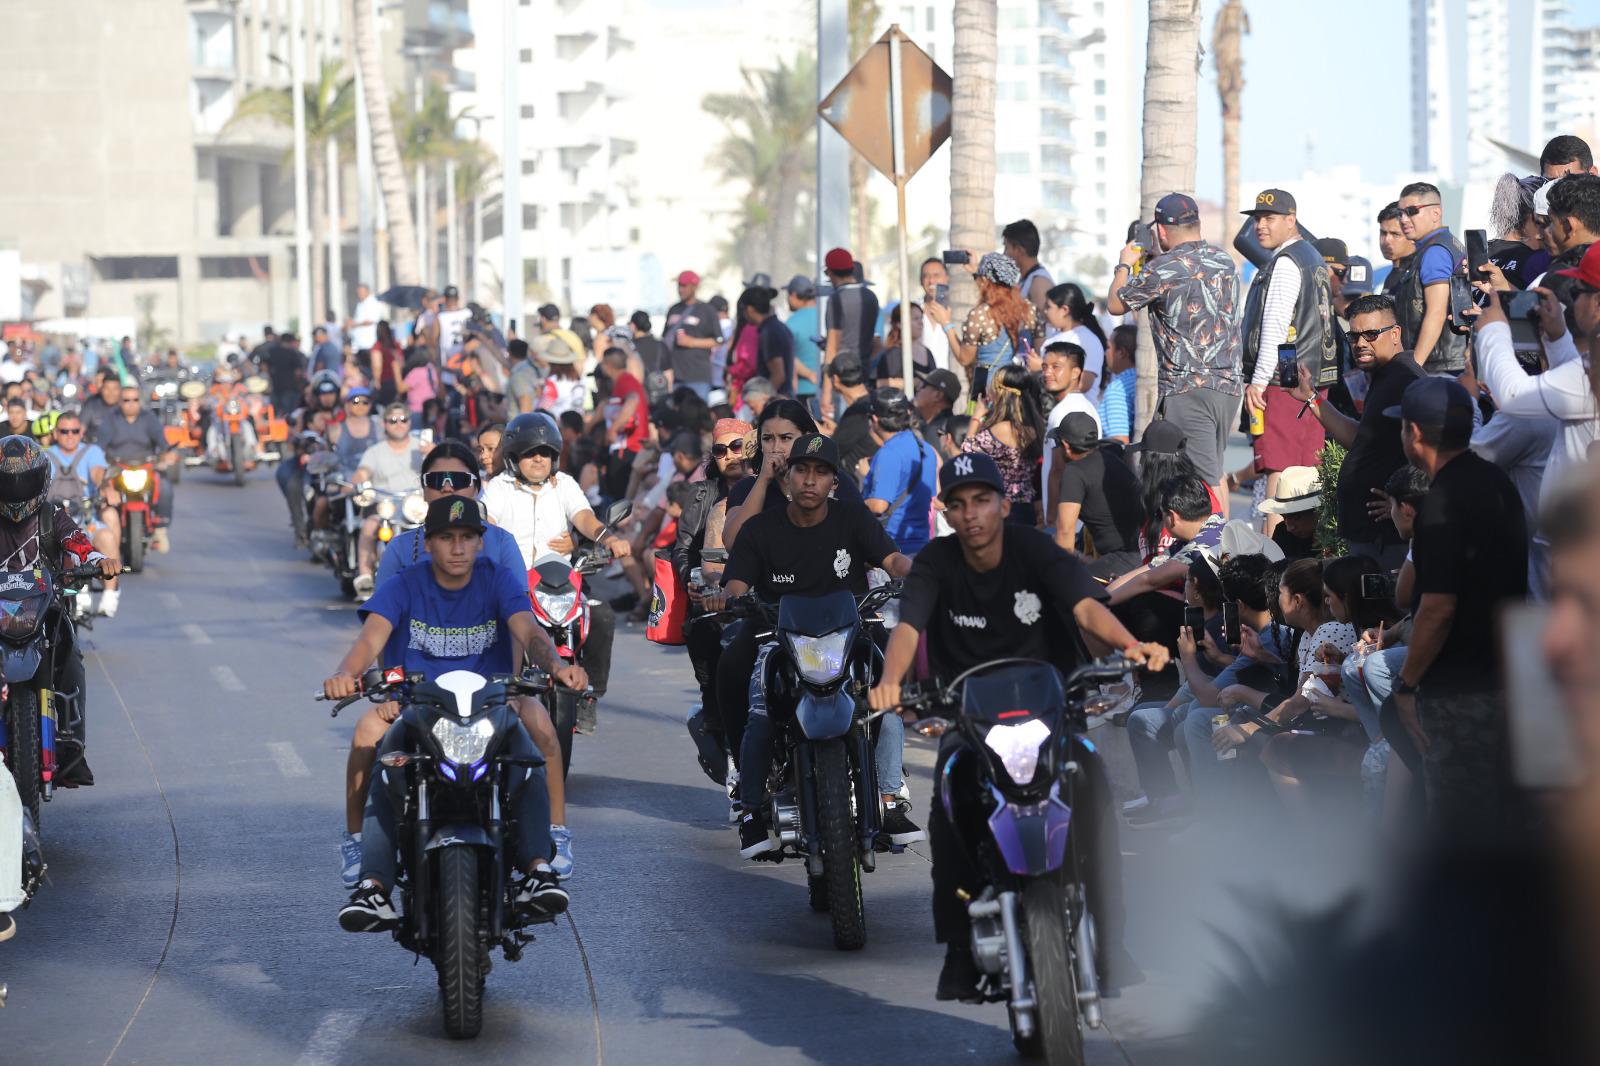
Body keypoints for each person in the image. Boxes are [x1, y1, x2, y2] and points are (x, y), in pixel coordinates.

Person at [867, 450, 1166, 1000]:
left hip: (1051, 707)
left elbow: (1084, 607)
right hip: (970, 715)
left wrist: (1130, 645)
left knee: (1094, 795)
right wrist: (891, 682)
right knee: (948, 808)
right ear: (946, 512)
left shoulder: (1035, 550)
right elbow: (908, 627)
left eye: (982, 500)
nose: (972, 514)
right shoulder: (934, 562)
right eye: (959, 505)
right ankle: (960, 950)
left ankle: (1112, 943)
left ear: (1004, 504)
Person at [327, 496, 582, 930]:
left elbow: (528, 630)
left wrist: (556, 666)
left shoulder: (499, 580)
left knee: (529, 752)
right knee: (378, 752)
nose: (458, 548)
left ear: (481, 543)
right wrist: (346, 674)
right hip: (418, 705)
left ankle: (541, 864)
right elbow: (371, 639)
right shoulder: (405, 584)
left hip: (493, 703)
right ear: (428, 543)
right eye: (447, 538)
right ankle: (371, 878)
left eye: (468, 538)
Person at [703, 434, 917, 856]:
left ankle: (889, 800)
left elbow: (893, 561)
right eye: (802, 470)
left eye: (821, 473)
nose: (810, 480)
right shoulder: (761, 529)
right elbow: (737, 582)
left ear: (833, 482)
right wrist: (727, 596)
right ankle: (750, 810)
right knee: (761, 713)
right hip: (782, 640)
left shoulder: (853, 519)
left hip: (848, 636)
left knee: (883, 703)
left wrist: (922, 574)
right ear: (788, 478)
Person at [1386, 377, 1529, 832]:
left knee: (1458, 832)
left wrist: (1407, 687)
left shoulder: (1442, 502)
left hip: (1460, 691)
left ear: (1414, 433)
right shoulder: (1497, 482)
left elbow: (1438, 607)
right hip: (1505, 680)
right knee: (1499, 822)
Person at [1107, 192, 1242, 512]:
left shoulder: (1163, 270)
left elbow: (1115, 304)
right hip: (1227, 385)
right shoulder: (1223, 259)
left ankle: (1220, 552)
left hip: (1188, 386)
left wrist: (1125, 263)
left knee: (1203, 476)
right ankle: (1216, 548)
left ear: (1162, 231)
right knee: (1212, 467)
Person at [0, 435, 120, 786]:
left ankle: (72, 748)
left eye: (25, 480)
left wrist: (100, 561)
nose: (18, 489)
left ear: (41, 480)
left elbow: (82, 546)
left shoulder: (54, 517)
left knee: (72, 657)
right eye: (8, 481)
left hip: (47, 611)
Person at [1470, 266, 1598, 594]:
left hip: (1578, 547)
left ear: (1596, 304)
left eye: (1578, 293)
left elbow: (1515, 398)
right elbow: (1575, 387)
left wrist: (1493, 332)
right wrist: (1557, 339)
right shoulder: (1585, 367)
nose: (1571, 302)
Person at [479, 412, 624, 699]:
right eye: (530, 453)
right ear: (513, 457)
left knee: (601, 615)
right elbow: (487, 522)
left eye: (545, 453)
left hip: (560, 583)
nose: (538, 459)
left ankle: (590, 696)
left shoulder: (565, 484)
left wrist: (608, 538)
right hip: (514, 582)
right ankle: (503, 693)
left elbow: (583, 516)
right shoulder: (499, 487)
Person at [1287, 293, 1422, 566]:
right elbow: (1362, 440)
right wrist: (1312, 398)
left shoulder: (1407, 379)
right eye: (1354, 336)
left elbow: (1433, 447)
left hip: (1388, 539)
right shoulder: (1385, 376)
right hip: (1369, 535)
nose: (1360, 343)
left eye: (1371, 334)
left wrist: (1409, 501)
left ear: (1395, 333)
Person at [1239, 187, 1332, 536]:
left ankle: (1274, 564)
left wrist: (1260, 381)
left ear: (1291, 220)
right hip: (1309, 381)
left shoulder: (1287, 261)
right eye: (1258, 219)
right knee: (1304, 477)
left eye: (1269, 218)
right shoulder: (1312, 256)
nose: (1261, 225)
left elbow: (1275, 325)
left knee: (1279, 478)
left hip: (1283, 382)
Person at [44, 410, 122, 617]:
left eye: (75, 431)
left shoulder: (92, 451)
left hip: (86, 520)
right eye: (64, 431)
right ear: (55, 433)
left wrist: (106, 488)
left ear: (81, 432)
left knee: (105, 535)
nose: (70, 435)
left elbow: (99, 473)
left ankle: (111, 591)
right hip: (56, 523)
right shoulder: (46, 455)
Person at [1051, 412, 1145, 575]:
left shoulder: (1074, 472)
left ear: (1066, 445)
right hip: (1142, 553)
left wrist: (1062, 580)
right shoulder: (1111, 458)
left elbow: (1065, 531)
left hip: (1122, 560)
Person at [1390, 181, 1468, 373]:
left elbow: (1436, 313)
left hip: (1439, 368)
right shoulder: (1448, 243)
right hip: (1447, 365)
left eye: (1411, 211)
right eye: (1400, 213)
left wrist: (1413, 368)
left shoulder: (1435, 252)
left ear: (1436, 213)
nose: (1403, 219)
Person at [938, 253, 1040, 398]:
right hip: (1022, 390)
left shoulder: (980, 315)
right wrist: (977, 272)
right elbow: (1039, 347)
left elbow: (965, 358)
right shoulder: (1030, 310)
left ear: (985, 281)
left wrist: (946, 325)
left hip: (990, 393)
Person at [350, 404, 425, 596]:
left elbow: (438, 464)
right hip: (386, 507)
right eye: (393, 420)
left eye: (403, 420)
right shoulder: (375, 451)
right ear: (384, 424)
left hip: (417, 508)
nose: (398, 424)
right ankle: (365, 575)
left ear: (409, 422)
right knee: (368, 526)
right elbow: (363, 471)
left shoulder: (422, 446)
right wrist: (358, 479)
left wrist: (433, 452)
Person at [960, 365, 1046, 525]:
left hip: (1005, 509)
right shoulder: (1033, 426)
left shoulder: (1004, 429)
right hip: (1026, 507)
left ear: (1001, 392)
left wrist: (976, 417)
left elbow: (966, 455)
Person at [99, 383, 176, 550]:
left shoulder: (149, 418)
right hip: (117, 467)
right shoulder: (111, 419)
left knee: (165, 487)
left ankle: (160, 529)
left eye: (135, 400)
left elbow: (162, 443)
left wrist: (165, 457)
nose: (131, 403)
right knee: (102, 492)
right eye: (126, 400)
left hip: (145, 466)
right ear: (120, 402)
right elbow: (100, 447)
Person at [863, 388, 938, 556]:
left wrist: (852, 501)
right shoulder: (925, 448)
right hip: (922, 547)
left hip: (893, 549)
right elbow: (931, 497)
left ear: (874, 419)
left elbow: (879, 505)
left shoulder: (889, 453)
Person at [1039, 341, 1101, 523]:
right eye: (1044, 367)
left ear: (1076, 372)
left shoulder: (1064, 412)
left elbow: (1059, 470)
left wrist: (1051, 521)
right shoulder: (1083, 406)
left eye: (1056, 367)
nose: (1047, 373)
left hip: (1068, 523)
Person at [596, 347, 650, 502]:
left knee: (619, 497)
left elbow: (633, 400)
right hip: (626, 448)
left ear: (607, 365)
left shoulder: (625, 381)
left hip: (628, 448)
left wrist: (614, 428)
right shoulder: (624, 381)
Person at [663, 271, 720, 400]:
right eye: (679, 286)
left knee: (697, 416)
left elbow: (718, 340)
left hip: (698, 377)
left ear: (694, 287)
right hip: (676, 376)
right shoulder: (673, 309)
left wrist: (692, 342)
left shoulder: (707, 310)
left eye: (684, 286)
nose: (680, 289)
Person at [1042, 282, 1106, 391]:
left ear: (1064, 310)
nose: (1045, 311)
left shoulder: (1086, 339)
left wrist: (1041, 367)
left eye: (1048, 307)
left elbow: (1083, 384)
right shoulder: (1053, 336)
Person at [1257, 466, 1323, 560]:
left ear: (1317, 510)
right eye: (1284, 517)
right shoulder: (1282, 532)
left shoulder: (1337, 538)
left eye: (1296, 517)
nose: (1289, 527)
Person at [872, 303, 933, 390]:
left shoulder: (927, 352)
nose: (921, 323)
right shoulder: (893, 354)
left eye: (921, 318)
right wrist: (907, 383)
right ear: (900, 324)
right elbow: (878, 383)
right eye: (915, 319)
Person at [783, 276, 822, 413]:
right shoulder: (826, 316)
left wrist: (809, 374)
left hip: (803, 390)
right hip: (830, 389)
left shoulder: (791, 322)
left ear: (793, 295)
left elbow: (789, 356)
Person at [1002, 218, 1055, 315]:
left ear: (1019, 250)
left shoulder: (1039, 283)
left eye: (1006, 248)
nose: (1004, 254)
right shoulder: (1026, 279)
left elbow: (1044, 326)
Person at [1098, 324, 1137, 443]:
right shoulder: (1144, 380)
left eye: (1109, 347)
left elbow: (1119, 441)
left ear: (1122, 353)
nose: (1105, 353)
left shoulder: (1117, 389)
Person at [1376, 202, 1415, 296]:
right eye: (1383, 233)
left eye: (1395, 234)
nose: (1386, 240)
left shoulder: (1419, 273)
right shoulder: (1394, 273)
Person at [369, 320, 404, 405]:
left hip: (384, 382)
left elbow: (377, 366)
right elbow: (402, 363)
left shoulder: (378, 347)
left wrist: (377, 381)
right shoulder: (396, 345)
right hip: (396, 381)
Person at [348, 283, 383, 358]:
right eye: (358, 292)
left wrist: (355, 324)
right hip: (358, 344)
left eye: (361, 292)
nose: (359, 294)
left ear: (367, 291)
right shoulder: (360, 303)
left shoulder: (372, 302)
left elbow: (371, 320)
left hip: (368, 343)